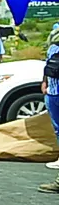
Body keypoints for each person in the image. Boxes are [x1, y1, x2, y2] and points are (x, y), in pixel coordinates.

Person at [39, 42, 59, 183]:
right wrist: (44, 83)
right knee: (57, 129)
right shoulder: (53, 47)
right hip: (52, 93)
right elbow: (47, 67)